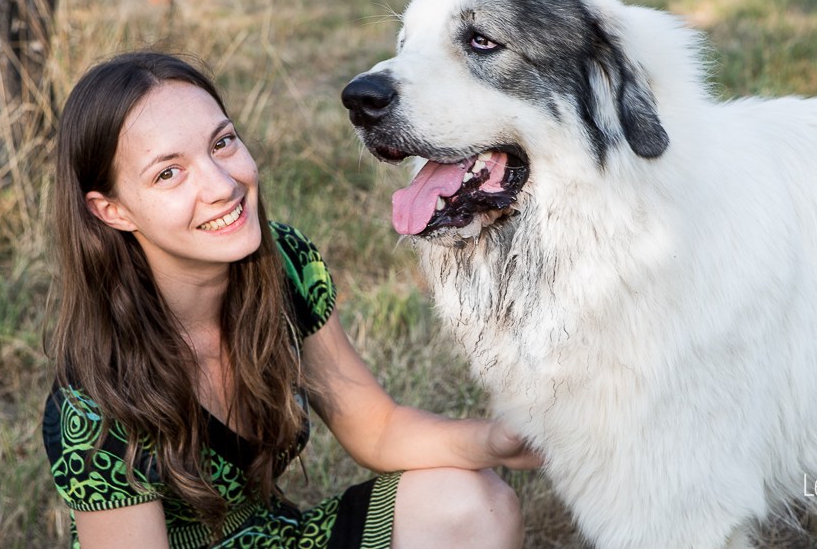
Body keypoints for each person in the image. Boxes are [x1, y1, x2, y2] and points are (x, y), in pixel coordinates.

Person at [42, 51, 542, 549]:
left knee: (474, 501)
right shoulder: (90, 405)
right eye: (168, 174)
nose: (221, 185)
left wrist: (496, 440)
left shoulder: (284, 264)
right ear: (112, 210)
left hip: (279, 539)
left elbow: (376, 428)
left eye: (222, 142)